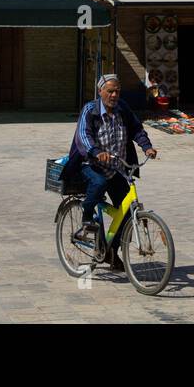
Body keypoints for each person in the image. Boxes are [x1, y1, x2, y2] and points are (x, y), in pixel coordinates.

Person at [65, 74, 157, 269]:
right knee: (98, 183)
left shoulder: (123, 108)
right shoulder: (90, 110)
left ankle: (110, 252)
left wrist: (146, 147)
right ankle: (87, 218)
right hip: (90, 164)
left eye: (117, 91)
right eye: (110, 91)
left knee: (126, 211)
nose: (114, 95)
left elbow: (137, 129)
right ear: (100, 92)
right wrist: (97, 152)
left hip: (117, 167)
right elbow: (83, 135)